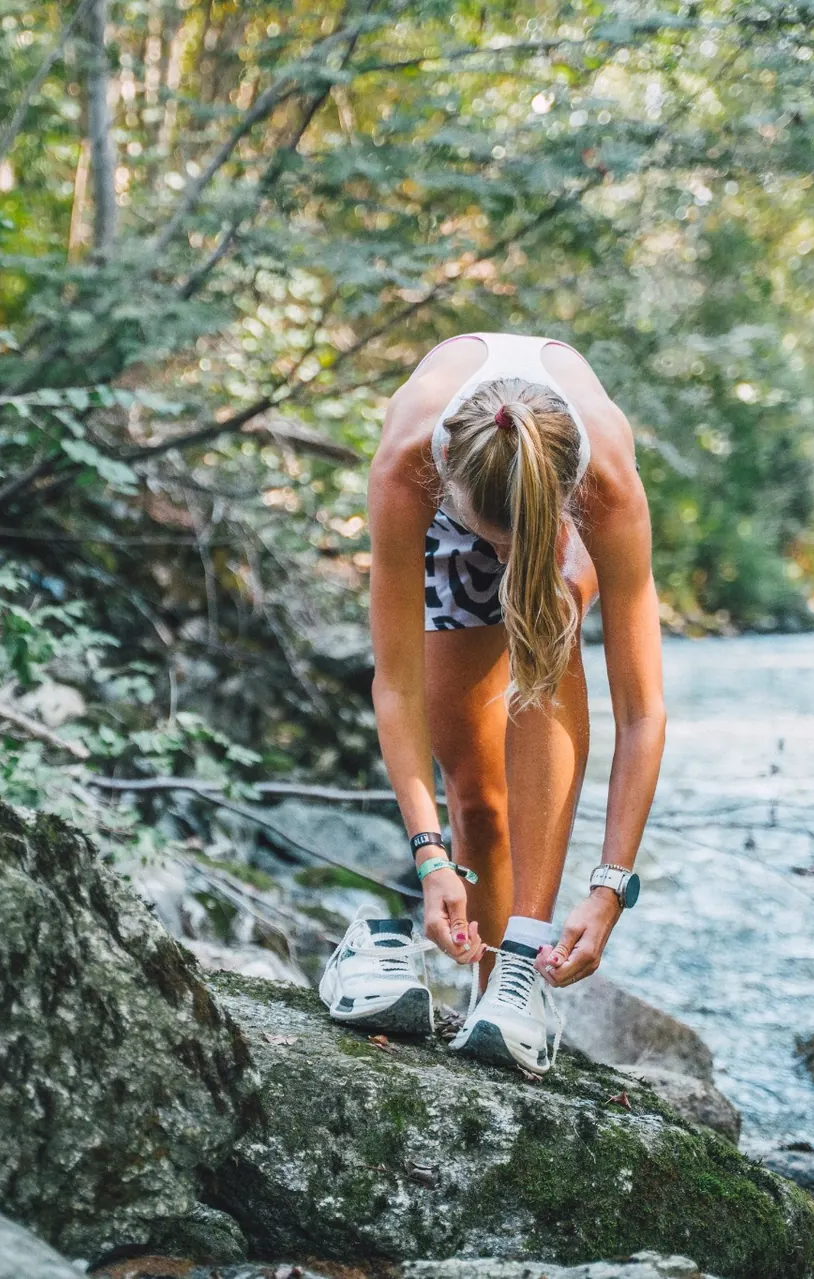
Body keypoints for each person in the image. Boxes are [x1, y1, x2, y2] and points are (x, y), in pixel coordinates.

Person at [317, 332, 666, 1075]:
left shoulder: (603, 480)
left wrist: (609, 888)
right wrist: (430, 853)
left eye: (516, 549)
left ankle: (519, 972)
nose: (507, 561)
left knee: (551, 617)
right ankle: (484, 985)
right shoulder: (410, 465)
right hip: (462, 500)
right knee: (475, 793)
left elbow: (642, 713)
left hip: (552, 494)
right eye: (499, 543)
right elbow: (396, 685)